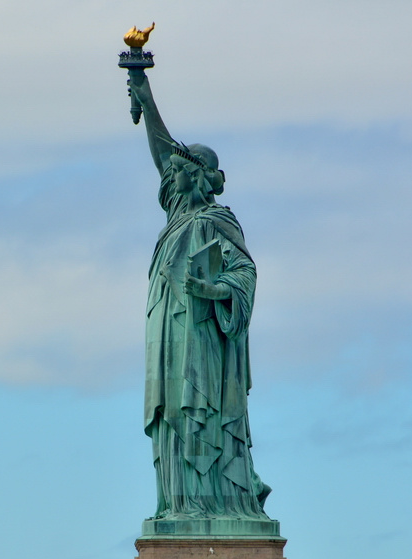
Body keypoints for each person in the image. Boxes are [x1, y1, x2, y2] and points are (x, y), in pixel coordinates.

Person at [128, 69, 272, 521]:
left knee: (198, 411)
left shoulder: (215, 220)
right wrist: (142, 91)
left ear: (197, 175)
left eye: (180, 168)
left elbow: (245, 271)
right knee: (173, 414)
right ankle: (178, 503)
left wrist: (212, 290)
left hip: (202, 334)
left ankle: (212, 502)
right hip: (168, 334)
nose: (171, 173)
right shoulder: (177, 215)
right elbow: (161, 150)